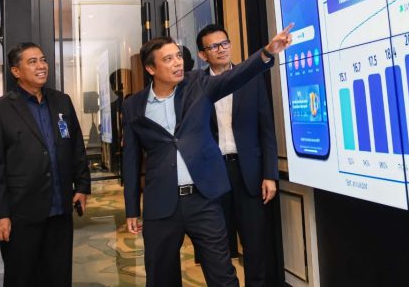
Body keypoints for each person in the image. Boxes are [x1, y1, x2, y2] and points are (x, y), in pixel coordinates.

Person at [122, 25, 293, 287]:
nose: (178, 63)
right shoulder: (133, 105)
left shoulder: (198, 85)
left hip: (202, 200)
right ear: (151, 68)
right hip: (161, 204)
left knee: (222, 276)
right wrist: (132, 209)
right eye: (168, 59)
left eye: (178, 56)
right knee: (160, 277)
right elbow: (131, 161)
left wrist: (268, 52)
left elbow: (235, 77)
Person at [0, 43, 91, 287]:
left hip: (60, 210)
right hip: (21, 215)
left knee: (59, 277)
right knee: (22, 278)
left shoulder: (62, 102)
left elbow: (75, 147)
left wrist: (82, 185)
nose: (42, 66)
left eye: (43, 60)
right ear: (16, 71)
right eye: (32, 62)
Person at [196, 24, 278, 286]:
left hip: (248, 172)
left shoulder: (251, 77)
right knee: (216, 245)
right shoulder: (196, 85)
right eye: (214, 46)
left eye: (225, 43)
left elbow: (266, 129)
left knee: (255, 243)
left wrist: (270, 174)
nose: (221, 49)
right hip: (213, 175)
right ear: (202, 55)